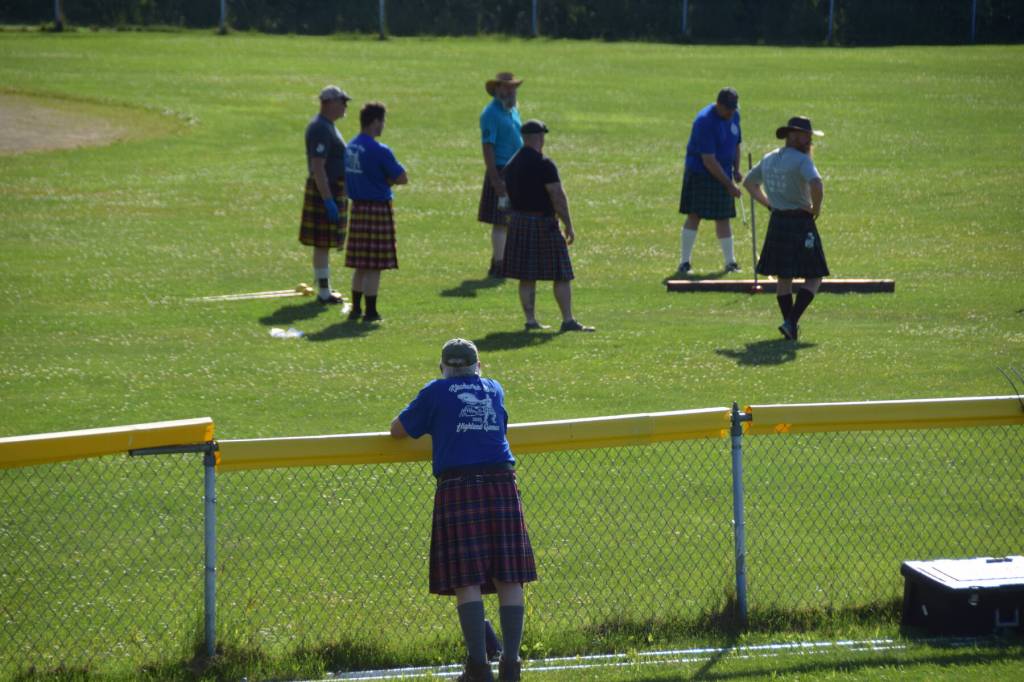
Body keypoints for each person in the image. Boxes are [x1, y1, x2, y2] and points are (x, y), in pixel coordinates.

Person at [390, 338, 535, 682]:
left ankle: (479, 667)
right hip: (501, 481)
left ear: (443, 368)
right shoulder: (494, 388)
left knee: (466, 578)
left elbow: (397, 431)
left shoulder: (436, 391)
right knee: (509, 575)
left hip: (459, 485)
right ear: (478, 367)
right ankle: (511, 666)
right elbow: (501, 425)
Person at [500, 119, 594, 333]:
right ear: (540, 138)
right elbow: (557, 196)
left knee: (526, 275)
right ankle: (568, 319)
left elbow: (505, 198)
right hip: (543, 223)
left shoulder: (511, 165)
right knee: (561, 273)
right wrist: (568, 224)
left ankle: (531, 320)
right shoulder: (544, 164)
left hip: (519, 222)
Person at [743, 116, 829, 341]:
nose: (809, 139)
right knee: (815, 275)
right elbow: (817, 184)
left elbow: (749, 184)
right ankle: (791, 321)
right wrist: (815, 208)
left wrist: (770, 205)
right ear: (792, 135)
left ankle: (789, 325)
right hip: (801, 220)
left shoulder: (769, 158)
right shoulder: (802, 160)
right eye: (806, 135)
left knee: (784, 278)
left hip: (778, 220)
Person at [343, 102, 408, 323]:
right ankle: (371, 311)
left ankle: (355, 308)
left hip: (358, 208)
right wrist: (385, 182)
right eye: (382, 121)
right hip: (377, 208)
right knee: (375, 265)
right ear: (375, 122)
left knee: (360, 263)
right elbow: (402, 177)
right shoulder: (379, 150)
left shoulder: (350, 146)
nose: (383, 126)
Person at [677, 87, 744, 274]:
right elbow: (708, 160)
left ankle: (730, 262)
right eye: (728, 108)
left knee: (723, 217)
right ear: (718, 104)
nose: (731, 112)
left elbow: (736, 144)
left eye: (733, 108)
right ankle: (684, 262)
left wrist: (736, 169)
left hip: (722, 171)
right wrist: (729, 184)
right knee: (694, 215)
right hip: (701, 173)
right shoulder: (704, 122)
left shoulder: (734, 116)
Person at [300, 85, 352, 304]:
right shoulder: (320, 128)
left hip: (331, 188)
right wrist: (328, 199)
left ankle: (324, 288)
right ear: (329, 103)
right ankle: (323, 291)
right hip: (326, 189)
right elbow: (318, 166)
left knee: (325, 243)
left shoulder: (328, 126)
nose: (345, 106)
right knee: (322, 243)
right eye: (342, 101)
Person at [479, 72, 524, 278]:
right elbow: (488, 146)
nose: (511, 91)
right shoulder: (490, 114)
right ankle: (499, 263)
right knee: (501, 220)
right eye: (506, 87)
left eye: (513, 87)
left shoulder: (512, 110)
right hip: (501, 170)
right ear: (497, 89)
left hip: (516, 171)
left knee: (511, 220)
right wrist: (495, 178)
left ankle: (505, 260)